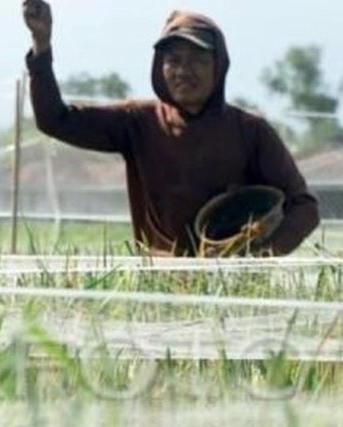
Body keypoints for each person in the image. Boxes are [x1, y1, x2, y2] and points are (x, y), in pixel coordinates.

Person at [21, 1, 320, 256]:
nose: (182, 71)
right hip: (161, 277)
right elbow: (54, 120)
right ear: (159, 66)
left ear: (219, 66)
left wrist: (259, 259)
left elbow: (304, 206)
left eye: (197, 60)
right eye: (173, 60)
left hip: (232, 280)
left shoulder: (251, 132)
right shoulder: (137, 121)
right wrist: (41, 45)